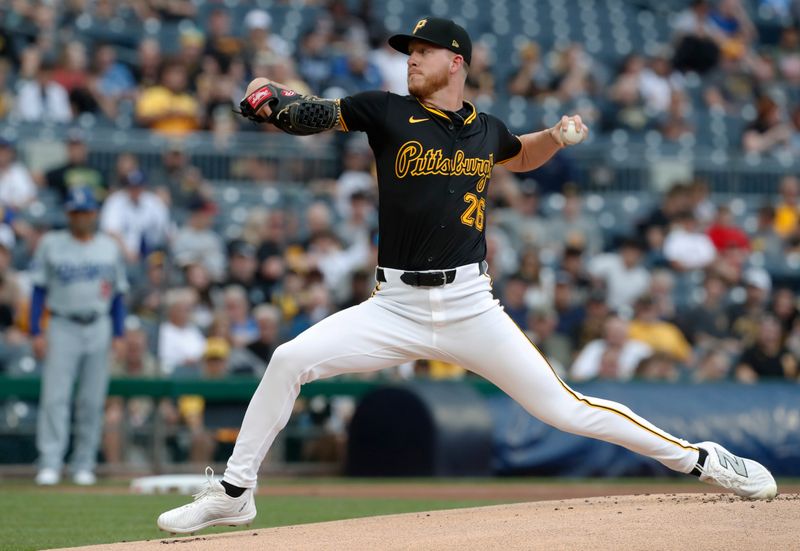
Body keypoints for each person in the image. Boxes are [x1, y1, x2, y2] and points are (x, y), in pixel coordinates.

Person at [158, 17, 777, 535]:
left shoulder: (486, 129)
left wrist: (556, 139)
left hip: (471, 305)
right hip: (393, 304)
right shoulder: (384, 111)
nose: (410, 60)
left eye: (421, 52)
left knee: (566, 410)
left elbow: (521, 154)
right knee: (289, 359)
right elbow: (313, 114)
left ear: (456, 61)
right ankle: (237, 491)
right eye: (408, 52)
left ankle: (704, 459)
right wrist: (273, 102)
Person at [29, 188, 128, 486]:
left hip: (99, 323)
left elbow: (119, 295)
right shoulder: (51, 243)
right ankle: (50, 462)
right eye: (75, 212)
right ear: (67, 213)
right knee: (55, 397)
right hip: (61, 323)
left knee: (92, 399)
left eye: (85, 211)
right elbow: (38, 290)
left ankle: (84, 462)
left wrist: (120, 333)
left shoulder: (108, 247)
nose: (80, 217)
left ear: (94, 213)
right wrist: (36, 330)